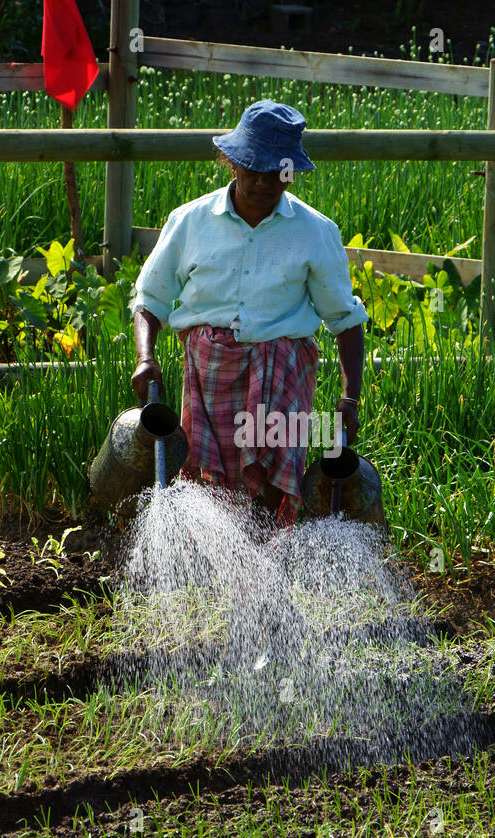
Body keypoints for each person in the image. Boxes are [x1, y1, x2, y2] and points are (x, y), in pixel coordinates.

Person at [129, 99, 367, 527]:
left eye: (275, 173)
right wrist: (146, 357)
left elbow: (344, 319)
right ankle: (215, 572)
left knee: (272, 485)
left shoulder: (315, 232)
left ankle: (269, 567)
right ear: (230, 163)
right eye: (250, 170)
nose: (261, 182)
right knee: (207, 481)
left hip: (282, 371)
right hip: (210, 372)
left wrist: (350, 397)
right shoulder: (190, 222)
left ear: (290, 172)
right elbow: (152, 298)